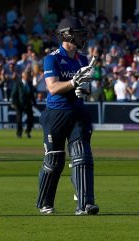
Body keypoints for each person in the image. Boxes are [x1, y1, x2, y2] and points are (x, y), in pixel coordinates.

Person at [35, 17, 99, 215]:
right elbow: (53, 87)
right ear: (67, 35)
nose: (83, 37)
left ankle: (85, 204)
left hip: (77, 112)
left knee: (82, 157)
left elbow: (83, 85)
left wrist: (84, 88)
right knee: (54, 161)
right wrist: (73, 83)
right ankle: (45, 203)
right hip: (56, 114)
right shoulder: (52, 58)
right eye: (79, 33)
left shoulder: (82, 59)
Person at [11, 66, 36, 138]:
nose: (28, 77)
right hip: (19, 104)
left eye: (28, 75)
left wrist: (34, 103)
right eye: (27, 75)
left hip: (28, 104)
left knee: (30, 118)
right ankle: (19, 133)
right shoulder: (18, 84)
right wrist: (13, 103)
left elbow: (31, 95)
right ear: (23, 76)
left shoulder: (30, 84)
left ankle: (28, 131)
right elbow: (13, 94)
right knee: (19, 119)